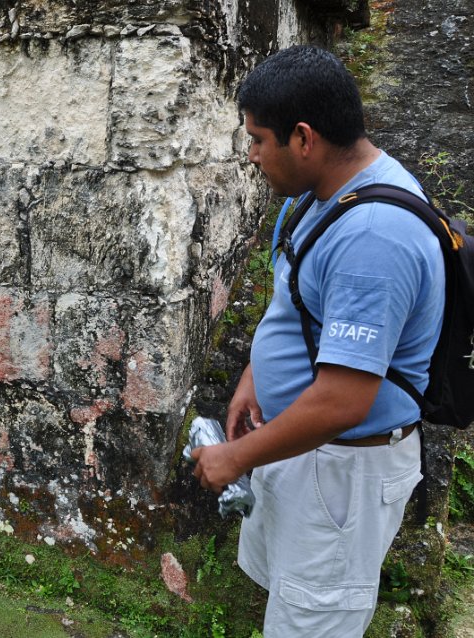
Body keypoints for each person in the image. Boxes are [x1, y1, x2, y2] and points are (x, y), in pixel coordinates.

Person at [190, 45, 444, 636]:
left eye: (258, 140)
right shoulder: (321, 195)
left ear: (303, 138)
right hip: (299, 448)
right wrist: (256, 373)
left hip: (341, 473)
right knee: (290, 599)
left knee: (312, 618)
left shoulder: (374, 237)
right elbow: (297, 297)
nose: (252, 155)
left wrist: (236, 458)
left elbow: (343, 401)